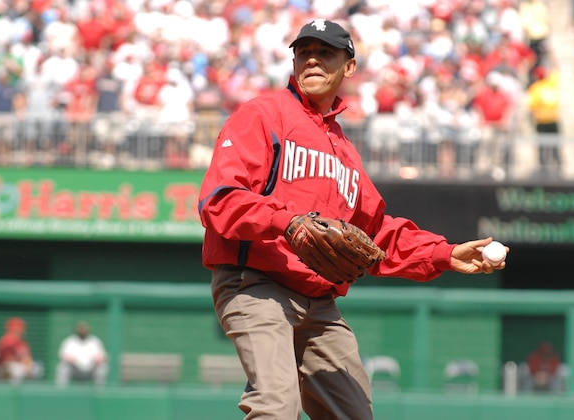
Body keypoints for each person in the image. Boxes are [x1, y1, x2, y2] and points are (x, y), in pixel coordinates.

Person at [197, 19, 508, 419]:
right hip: (258, 282)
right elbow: (220, 199)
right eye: (303, 52)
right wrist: (287, 222)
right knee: (276, 406)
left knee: (354, 413)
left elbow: (376, 235)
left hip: (319, 302)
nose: (311, 60)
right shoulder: (262, 114)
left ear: (349, 67)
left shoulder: (345, 152)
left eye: (324, 52)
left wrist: (445, 254)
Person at [55, 321, 108, 387]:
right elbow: (63, 356)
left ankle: (100, 392)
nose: (82, 330)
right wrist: (71, 359)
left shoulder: (95, 341)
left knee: (102, 368)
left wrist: (97, 359)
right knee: (63, 367)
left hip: (91, 369)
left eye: (84, 328)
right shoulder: (70, 341)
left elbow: (103, 357)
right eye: (81, 329)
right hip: (75, 368)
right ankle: (61, 391)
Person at [0, 317, 42, 384]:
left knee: (37, 368)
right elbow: (7, 359)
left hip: (21, 366)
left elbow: (27, 357)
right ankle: (13, 392)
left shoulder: (22, 343)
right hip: (6, 368)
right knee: (15, 369)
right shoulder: (5, 342)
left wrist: (27, 364)